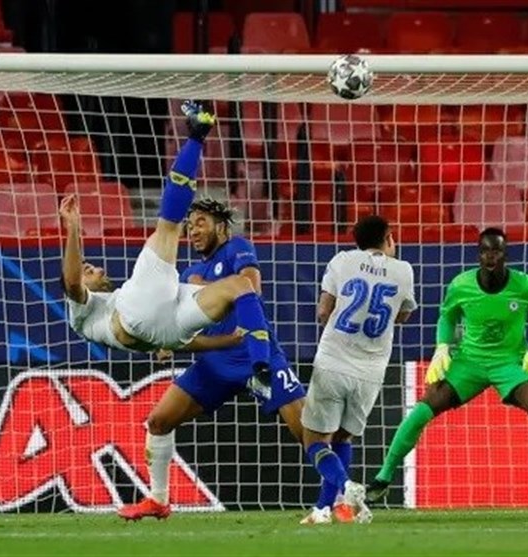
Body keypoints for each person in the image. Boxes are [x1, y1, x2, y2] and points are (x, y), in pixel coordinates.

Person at [365, 227, 528, 507]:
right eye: (485, 250)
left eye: (496, 251)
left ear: (505, 254)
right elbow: (447, 317)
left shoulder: (524, 285)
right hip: (469, 363)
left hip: (509, 363)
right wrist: (442, 348)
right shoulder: (461, 285)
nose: (490, 256)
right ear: (479, 254)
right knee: (422, 410)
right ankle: (383, 478)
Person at [117, 197, 306, 521]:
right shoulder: (189, 272)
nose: (192, 231)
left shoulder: (237, 249)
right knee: (159, 422)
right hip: (215, 362)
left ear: (221, 226)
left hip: (254, 357)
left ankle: (343, 494)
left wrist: (203, 286)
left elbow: (252, 288)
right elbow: (179, 322)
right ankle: (158, 500)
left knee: (306, 430)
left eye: (200, 222)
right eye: (189, 225)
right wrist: (166, 342)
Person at [61, 101, 272, 381]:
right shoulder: (82, 312)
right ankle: (197, 135)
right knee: (168, 228)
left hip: (169, 328)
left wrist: (227, 341)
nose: (89, 267)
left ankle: (261, 366)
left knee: (239, 286)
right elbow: (72, 282)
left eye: (90, 266)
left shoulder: (114, 300)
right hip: (137, 315)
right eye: (86, 268)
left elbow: (178, 340)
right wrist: (73, 227)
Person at [299, 215, 417, 525]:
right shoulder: (404, 271)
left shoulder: (342, 261)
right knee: (343, 439)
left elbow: (324, 311)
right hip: (371, 370)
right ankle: (325, 510)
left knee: (315, 441)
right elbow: (403, 316)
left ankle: (345, 488)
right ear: (389, 238)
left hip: (334, 360)